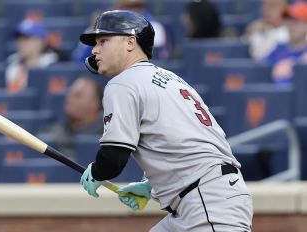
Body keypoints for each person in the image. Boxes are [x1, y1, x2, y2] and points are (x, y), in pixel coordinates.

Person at [78, 10, 253, 231]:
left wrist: (97, 172)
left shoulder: (122, 83)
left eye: (103, 41)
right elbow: (184, 141)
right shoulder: (172, 79)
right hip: (209, 194)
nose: (94, 50)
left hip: (207, 201)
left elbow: (113, 157)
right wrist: (150, 186)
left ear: (130, 42)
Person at [38, 77, 104, 157]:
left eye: (77, 95)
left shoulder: (108, 137)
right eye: (70, 94)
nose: (69, 99)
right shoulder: (53, 132)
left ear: (95, 103)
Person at [5, 18, 59, 93]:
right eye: (19, 39)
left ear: (41, 41)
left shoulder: (54, 63)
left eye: (26, 39)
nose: (21, 43)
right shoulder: (11, 63)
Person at [262, 1, 307, 85]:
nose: (290, 26)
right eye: (287, 20)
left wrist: (294, 64)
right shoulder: (279, 49)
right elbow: (260, 70)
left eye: (295, 21)